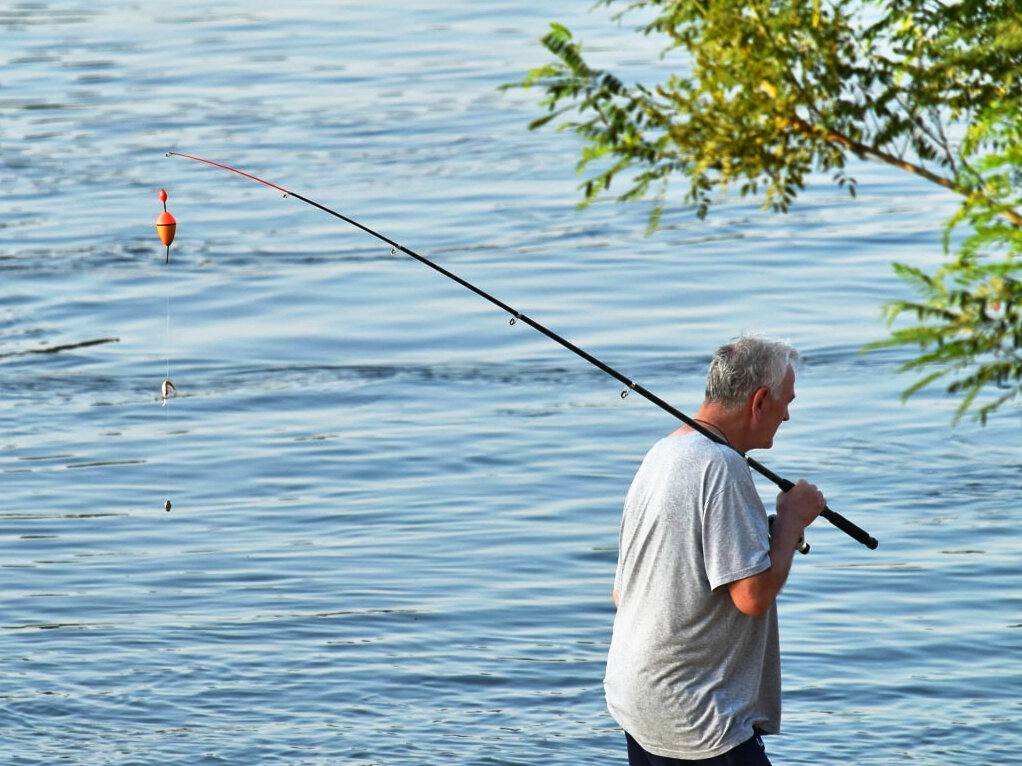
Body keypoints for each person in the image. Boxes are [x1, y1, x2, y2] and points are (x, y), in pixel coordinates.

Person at [604, 334, 826, 765]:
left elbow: (621, 593)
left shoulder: (662, 453)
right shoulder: (723, 468)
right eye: (787, 402)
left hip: (637, 700)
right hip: (696, 715)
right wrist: (792, 520)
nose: (788, 416)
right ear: (760, 401)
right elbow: (752, 597)